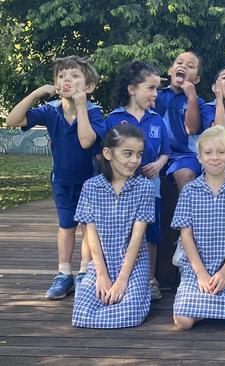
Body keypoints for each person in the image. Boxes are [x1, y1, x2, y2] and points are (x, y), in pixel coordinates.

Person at [6, 55, 105, 300]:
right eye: (62, 76)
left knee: (87, 227)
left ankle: (84, 271)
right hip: (61, 179)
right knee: (65, 226)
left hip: (89, 181)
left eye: (74, 76)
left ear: (89, 87)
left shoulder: (94, 113)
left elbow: (86, 141)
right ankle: (63, 274)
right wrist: (38, 93)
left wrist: (81, 107)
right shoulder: (50, 111)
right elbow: (12, 120)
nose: (67, 80)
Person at [171, 126, 225, 330]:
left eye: (221, 152)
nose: (215, 158)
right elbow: (185, 234)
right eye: (208, 153)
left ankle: (207, 307)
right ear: (199, 157)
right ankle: (211, 307)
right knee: (183, 321)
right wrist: (200, 273)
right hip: (196, 268)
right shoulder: (190, 191)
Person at [72, 123, 155, 328]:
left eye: (139, 154)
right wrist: (101, 275)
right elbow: (91, 235)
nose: (134, 160)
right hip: (101, 263)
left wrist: (121, 280)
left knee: (130, 313)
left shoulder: (144, 187)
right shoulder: (91, 187)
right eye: (127, 154)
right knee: (81, 314)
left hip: (133, 264)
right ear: (108, 153)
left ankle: (125, 297)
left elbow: (137, 238)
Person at [105, 61, 171, 301]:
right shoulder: (114, 118)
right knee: (123, 231)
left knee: (151, 232)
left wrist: (160, 164)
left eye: (157, 89)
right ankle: (119, 276)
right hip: (121, 188)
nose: (155, 94)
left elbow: (166, 151)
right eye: (151, 88)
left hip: (150, 188)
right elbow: (106, 152)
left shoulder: (156, 119)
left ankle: (150, 279)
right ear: (132, 89)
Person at [154, 50, 212, 265]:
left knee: (186, 175)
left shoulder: (199, 101)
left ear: (195, 79)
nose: (183, 66)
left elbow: (192, 128)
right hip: (156, 154)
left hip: (183, 155)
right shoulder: (156, 95)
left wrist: (192, 98)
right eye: (179, 63)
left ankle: (184, 238)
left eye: (190, 65)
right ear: (170, 70)